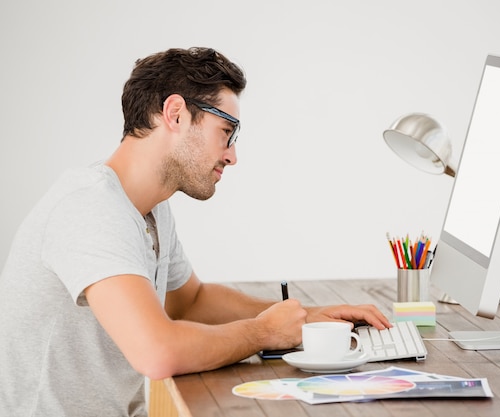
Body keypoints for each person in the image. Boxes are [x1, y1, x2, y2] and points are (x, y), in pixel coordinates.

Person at [0, 47, 391, 416]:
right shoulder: (90, 208)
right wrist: (262, 333)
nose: (233, 155)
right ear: (175, 114)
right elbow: (156, 352)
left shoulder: (149, 208)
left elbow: (191, 301)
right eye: (227, 131)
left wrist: (303, 317)